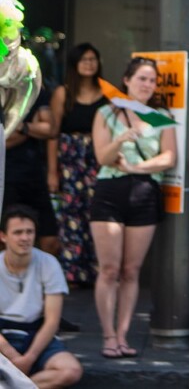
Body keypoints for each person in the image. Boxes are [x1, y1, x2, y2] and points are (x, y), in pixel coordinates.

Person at [90, 56, 177, 359]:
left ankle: (123, 335)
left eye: (152, 80)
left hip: (144, 191)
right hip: (110, 191)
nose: (147, 85)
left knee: (131, 270)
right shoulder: (106, 112)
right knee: (109, 269)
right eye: (141, 78)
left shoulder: (160, 116)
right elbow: (102, 157)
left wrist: (136, 168)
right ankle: (108, 335)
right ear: (126, 80)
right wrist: (121, 140)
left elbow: (169, 157)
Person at [0, 205, 83, 388]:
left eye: (29, 232)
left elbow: (52, 321)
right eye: (18, 232)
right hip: (3, 337)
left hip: (36, 334)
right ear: (3, 236)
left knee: (70, 371)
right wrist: (13, 357)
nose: (25, 238)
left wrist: (29, 358)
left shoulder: (48, 263)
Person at [48, 42, 107, 286]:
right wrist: (52, 171)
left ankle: (98, 271)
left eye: (93, 59)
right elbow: (53, 134)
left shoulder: (107, 93)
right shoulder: (63, 93)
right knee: (71, 215)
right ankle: (72, 273)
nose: (89, 64)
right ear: (74, 64)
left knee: (97, 213)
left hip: (98, 157)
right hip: (70, 160)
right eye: (84, 59)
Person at [3, 89, 59, 257]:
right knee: (5, 239)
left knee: (50, 240)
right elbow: (3, 142)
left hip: (34, 176)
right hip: (5, 178)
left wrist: (22, 126)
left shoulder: (33, 90)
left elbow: (50, 129)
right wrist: (31, 130)